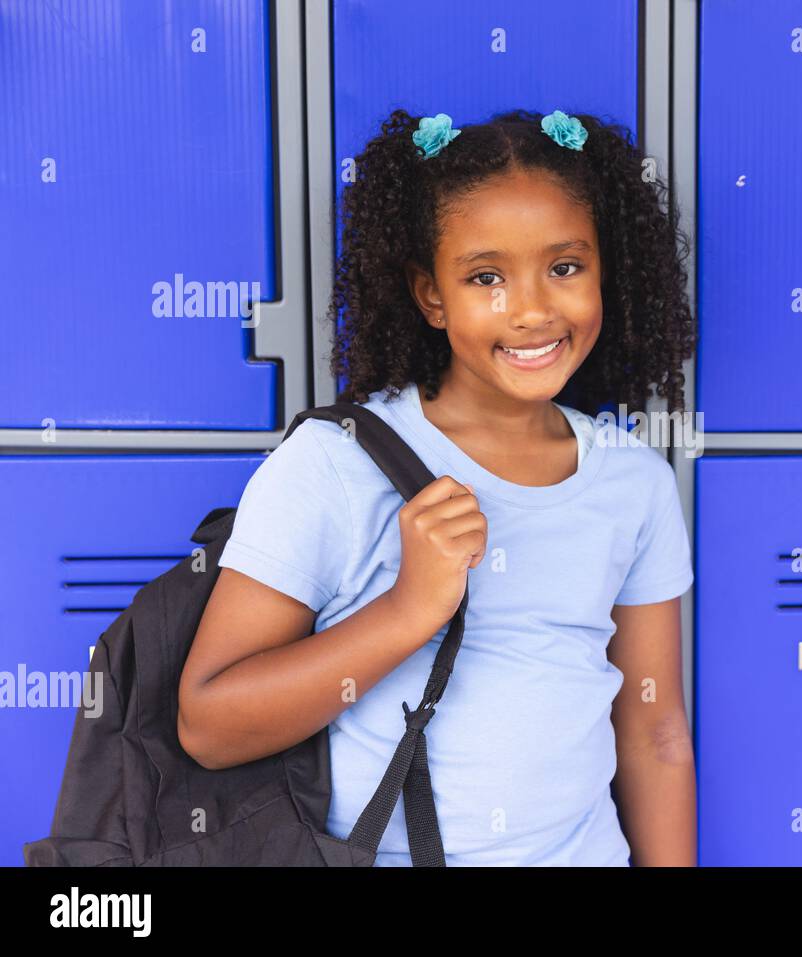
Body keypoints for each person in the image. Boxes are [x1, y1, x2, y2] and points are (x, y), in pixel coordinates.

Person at [177, 108, 698, 866]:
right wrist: (408, 609)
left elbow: (656, 731)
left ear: (604, 273)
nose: (531, 309)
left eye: (565, 267)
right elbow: (209, 725)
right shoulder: (334, 462)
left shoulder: (634, 482)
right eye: (486, 276)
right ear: (431, 296)